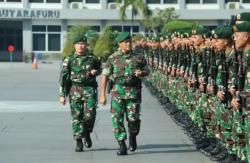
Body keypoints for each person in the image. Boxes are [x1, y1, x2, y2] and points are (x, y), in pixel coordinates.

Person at [99, 32, 149, 155]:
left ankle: (132, 135)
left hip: (133, 93)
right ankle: (122, 144)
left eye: (129, 41)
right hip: (117, 92)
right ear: (119, 44)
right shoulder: (112, 58)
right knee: (117, 120)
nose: (128, 44)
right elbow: (105, 76)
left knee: (133, 119)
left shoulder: (139, 57)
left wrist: (141, 73)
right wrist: (102, 94)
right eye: (125, 42)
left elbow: (148, 70)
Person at [59, 32, 101, 152]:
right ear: (74, 46)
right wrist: (62, 95)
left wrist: (95, 72)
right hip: (75, 89)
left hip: (89, 89)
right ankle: (78, 141)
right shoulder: (69, 59)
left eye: (83, 44)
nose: (81, 46)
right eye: (78, 44)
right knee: (76, 116)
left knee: (90, 115)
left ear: (86, 45)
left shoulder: (93, 58)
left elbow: (100, 69)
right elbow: (63, 77)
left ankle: (87, 133)